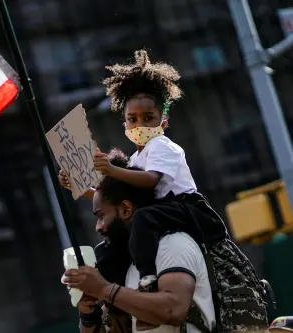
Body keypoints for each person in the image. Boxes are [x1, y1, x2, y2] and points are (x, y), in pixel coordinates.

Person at [60, 49, 228, 292]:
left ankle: (148, 277)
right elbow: (118, 200)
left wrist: (111, 170)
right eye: (133, 119)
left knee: (141, 219)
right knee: (111, 243)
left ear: (163, 122)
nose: (140, 124)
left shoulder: (161, 145)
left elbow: (150, 181)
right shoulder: (137, 158)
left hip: (183, 209)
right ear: (125, 123)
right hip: (156, 212)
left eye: (148, 118)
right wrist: (81, 188)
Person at [62, 149, 268, 333]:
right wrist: (88, 312)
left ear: (126, 209)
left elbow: (173, 308)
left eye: (101, 216)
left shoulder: (171, 244)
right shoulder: (130, 263)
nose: (98, 227)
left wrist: (103, 289)